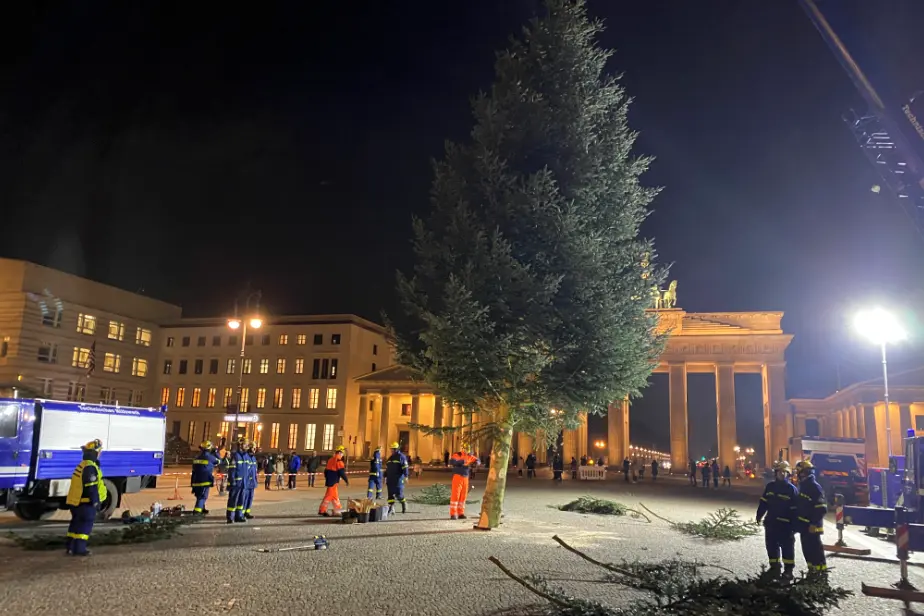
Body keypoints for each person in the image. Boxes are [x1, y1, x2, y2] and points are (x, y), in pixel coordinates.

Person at [756, 460, 798, 578]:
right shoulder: (770, 487)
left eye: (785, 472)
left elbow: (795, 510)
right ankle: (775, 567)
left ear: (788, 474)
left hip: (786, 526)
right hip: (771, 523)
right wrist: (759, 515)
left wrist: (794, 526)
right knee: (771, 546)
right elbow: (763, 502)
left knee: (787, 549)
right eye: (780, 472)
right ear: (776, 473)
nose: (783, 474)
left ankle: (788, 571)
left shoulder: (791, 489)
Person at [65, 439, 106, 556]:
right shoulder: (90, 468)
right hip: (86, 503)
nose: (100, 454)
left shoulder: (83, 465)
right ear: (95, 453)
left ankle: (70, 547)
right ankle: (79, 549)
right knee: (84, 526)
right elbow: (91, 487)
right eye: (99, 451)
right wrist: (96, 502)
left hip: (77, 502)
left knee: (75, 525)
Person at [794, 460, 828, 573]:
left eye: (798, 472)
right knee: (807, 550)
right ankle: (812, 571)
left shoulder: (814, 487)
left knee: (815, 550)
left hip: (812, 527)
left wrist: (813, 523)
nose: (797, 474)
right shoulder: (803, 486)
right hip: (804, 525)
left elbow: (822, 508)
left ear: (803, 473)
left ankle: (821, 573)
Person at [449, 448, 479, 520]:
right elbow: (452, 462)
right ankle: (453, 514)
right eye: (465, 449)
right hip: (457, 476)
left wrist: (476, 463)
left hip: (466, 477)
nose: (467, 451)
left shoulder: (470, 456)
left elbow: (477, 460)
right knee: (455, 495)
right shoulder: (457, 454)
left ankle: (461, 513)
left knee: (463, 496)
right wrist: (463, 461)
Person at [319, 446, 349, 516]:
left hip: (330, 480)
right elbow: (341, 472)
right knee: (329, 496)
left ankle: (338, 509)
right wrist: (346, 480)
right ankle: (322, 510)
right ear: (339, 452)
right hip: (333, 481)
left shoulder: (330, 460)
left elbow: (325, 471)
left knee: (335, 496)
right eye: (342, 454)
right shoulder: (339, 461)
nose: (342, 455)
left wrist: (327, 478)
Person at [191, 440, 220, 514]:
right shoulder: (210, 457)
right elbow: (220, 461)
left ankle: (202, 508)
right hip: (205, 480)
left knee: (199, 495)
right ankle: (197, 511)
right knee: (202, 496)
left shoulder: (197, 457)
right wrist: (216, 452)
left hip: (196, 480)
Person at [385, 442, 409, 514]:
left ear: (396, 449)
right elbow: (387, 468)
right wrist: (385, 476)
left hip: (398, 479)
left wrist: (406, 476)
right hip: (390, 479)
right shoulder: (390, 458)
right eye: (391, 449)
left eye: (393, 449)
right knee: (390, 495)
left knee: (399, 494)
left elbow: (405, 467)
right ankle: (391, 508)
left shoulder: (401, 456)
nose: (391, 450)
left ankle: (404, 504)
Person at [225, 441, 246, 523]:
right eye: (245, 444)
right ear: (240, 446)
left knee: (241, 500)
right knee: (233, 500)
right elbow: (232, 470)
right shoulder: (236, 456)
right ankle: (230, 517)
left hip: (242, 483)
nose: (246, 446)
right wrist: (232, 481)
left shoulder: (243, 456)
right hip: (236, 483)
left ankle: (239, 516)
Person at [242, 441, 258, 519]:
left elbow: (254, 470)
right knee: (244, 498)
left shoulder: (253, 458)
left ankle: (247, 512)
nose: (255, 450)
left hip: (252, 482)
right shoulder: (246, 457)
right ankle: (241, 513)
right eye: (254, 448)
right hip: (246, 482)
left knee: (250, 498)